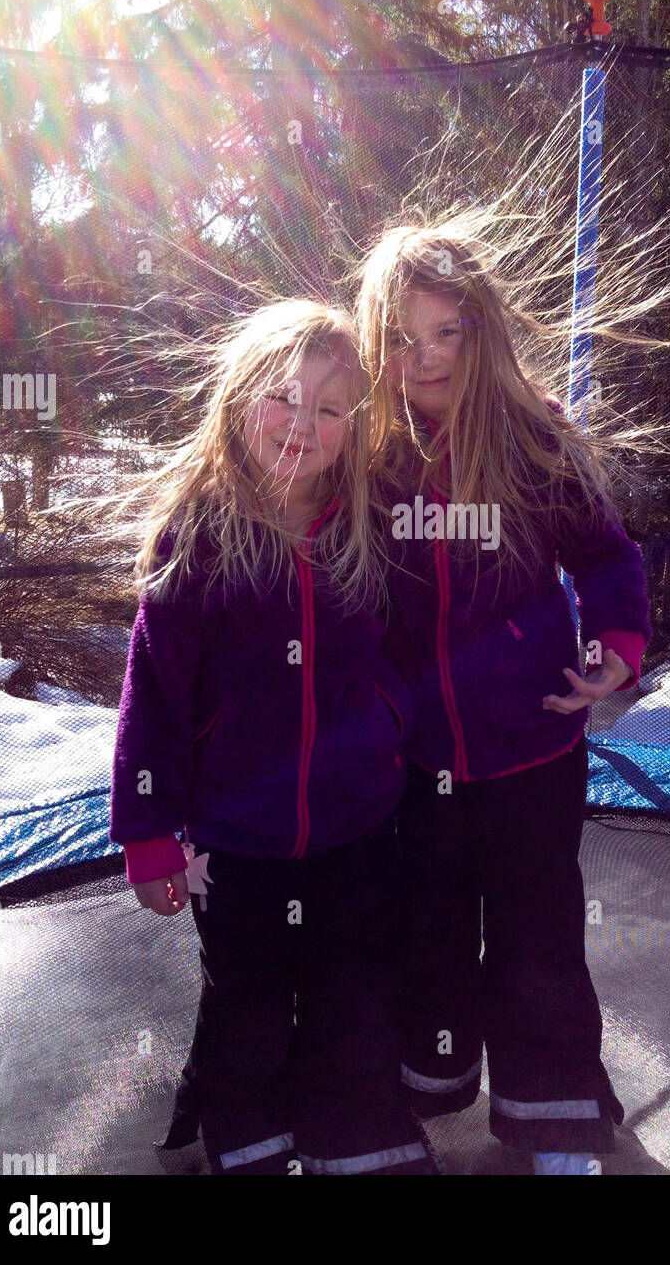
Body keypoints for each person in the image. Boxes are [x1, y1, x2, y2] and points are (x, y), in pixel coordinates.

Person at [109, 298, 435, 1176]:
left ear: (355, 430)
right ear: (241, 398)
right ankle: (247, 1138)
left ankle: (359, 1135)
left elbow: (425, 622)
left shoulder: (373, 525)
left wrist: (398, 734)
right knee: (247, 999)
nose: (305, 424)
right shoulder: (199, 538)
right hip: (236, 837)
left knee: (355, 989)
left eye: (332, 411)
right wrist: (148, 832)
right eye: (286, 399)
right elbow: (155, 699)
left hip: (360, 822)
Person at [353, 221, 651, 1175]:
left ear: (483, 334)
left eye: (449, 332)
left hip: (532, 742)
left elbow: (606, 559)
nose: (427, 355)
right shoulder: (367, 450)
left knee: (535, 931)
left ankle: (552, 1111)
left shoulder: (532, 439)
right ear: (375, 342)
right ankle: (435, 1076)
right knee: (425, 924)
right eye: (404, 335)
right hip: (415, 758)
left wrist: (611, 650)